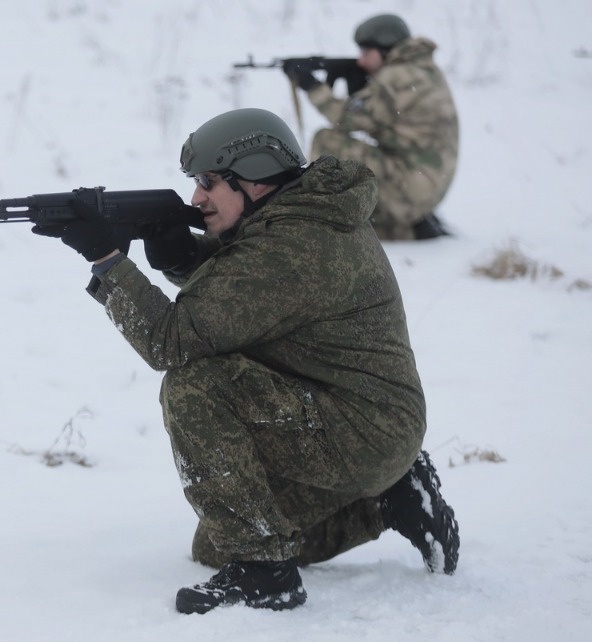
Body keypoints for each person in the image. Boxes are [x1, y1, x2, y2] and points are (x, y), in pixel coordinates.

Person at [31, 108, 459, 614]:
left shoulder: (291, 245)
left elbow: (171, 341)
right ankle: (389, 500)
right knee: (214, 545)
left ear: (253, 178)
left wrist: (108, 261)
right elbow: (249, 304)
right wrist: (178, 258)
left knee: (194, 385)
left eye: (209, 182)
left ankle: (265, 575)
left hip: (362, 430)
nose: (196, 197)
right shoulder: (303, 217)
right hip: (365, 421)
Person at [284, 13, 459, 240]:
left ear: (386, 49)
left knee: (327, 139)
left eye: (367, 53)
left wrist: (312, 85)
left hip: (410, 189)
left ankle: (315, 218)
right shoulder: (422, 70)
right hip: (425, 188)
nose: (361, 62)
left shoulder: (396, 77)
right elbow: (383, 122)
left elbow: (343, 119)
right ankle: (407, 228)